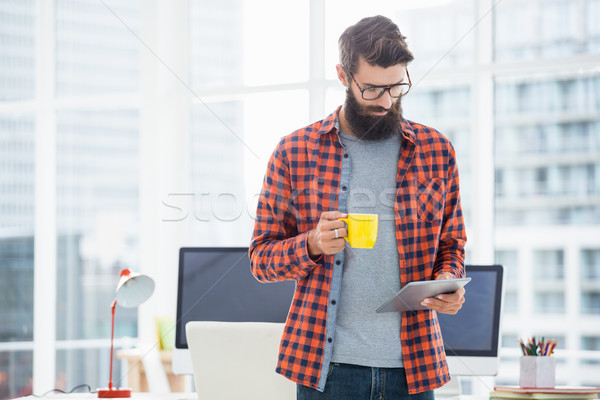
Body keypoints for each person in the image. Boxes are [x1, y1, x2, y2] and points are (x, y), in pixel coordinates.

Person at [249, 15, 467, 400]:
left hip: (412, 369)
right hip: (327, 369)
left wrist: (448, 283)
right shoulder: (294, 152)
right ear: (343, 75)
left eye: (396, 87)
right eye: (371, 89)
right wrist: (312, 243)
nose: (386, 101)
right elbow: (260, 260)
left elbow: (452, 244)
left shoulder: (436, 150)